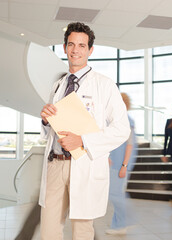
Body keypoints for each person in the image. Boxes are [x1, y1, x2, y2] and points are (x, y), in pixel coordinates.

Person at [39, 22, 130, 240]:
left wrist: (83, 140)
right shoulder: (58, 85)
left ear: (90, 50)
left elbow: (122, 129)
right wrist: (45, 120)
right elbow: (51, 129)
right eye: (71, 44)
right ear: (64, 48)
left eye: (81, 45)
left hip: (84, 164)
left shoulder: (104, 85)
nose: (75, 50)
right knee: (49, 231)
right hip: (55, 164)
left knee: (82, 232)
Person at [106, 93, 137, 235]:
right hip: (116, 162)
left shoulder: (126, 120)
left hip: (120, 164)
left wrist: (124, 166)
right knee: (116, 193)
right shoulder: (118, 119)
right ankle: (117, 225)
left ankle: (123, 224)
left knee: (115, 194)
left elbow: (129, 145)